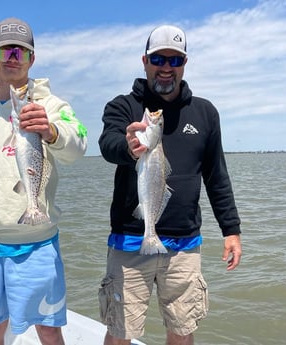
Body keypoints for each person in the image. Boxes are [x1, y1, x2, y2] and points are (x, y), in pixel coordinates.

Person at [98, 24, 242, 345]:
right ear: (145, 61)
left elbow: (216, 175)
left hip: (184, 247)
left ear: (184, 64)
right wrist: (127, 146)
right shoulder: (123, 107)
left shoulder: (205, 113)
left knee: (182, 329)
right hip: (130, 243)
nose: (166, 68)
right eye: (158, 59)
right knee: (120, 331)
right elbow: (107, 144)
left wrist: (231, 230)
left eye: (174, 60)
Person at [0, 17, 87, 345]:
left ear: (32, 59)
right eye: (5, 50)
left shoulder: (52, 106)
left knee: (49, 330)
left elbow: (78, 145)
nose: (13, 57)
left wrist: (51, 131)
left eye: (21, 52)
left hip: (37, 242)